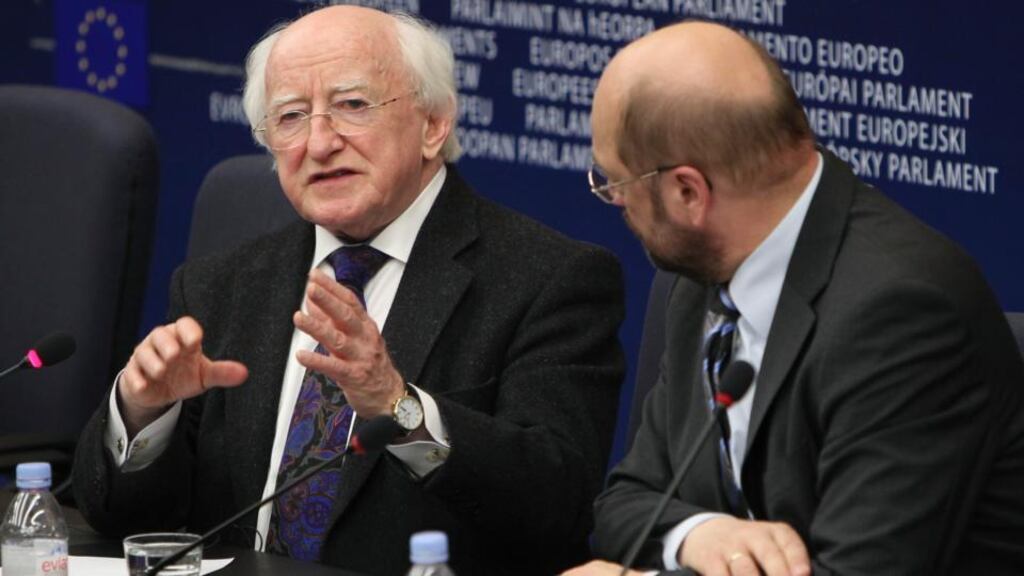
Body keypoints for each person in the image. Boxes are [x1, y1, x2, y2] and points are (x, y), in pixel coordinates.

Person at [72, 6, 625, 575]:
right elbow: (121, 518)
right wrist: (142, 414)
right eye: (289, 117)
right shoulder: (221, 284)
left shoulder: (549, 279)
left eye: (352, 106)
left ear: (434, 123)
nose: (318, 142)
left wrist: (400, 407)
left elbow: (558, 507)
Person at [566, 20, 1024, 576]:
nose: (616, 204)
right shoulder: (700, 273)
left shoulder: (903, 314)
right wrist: (700, 533)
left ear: (688, 192)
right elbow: (624, 503)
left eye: (615, 184)